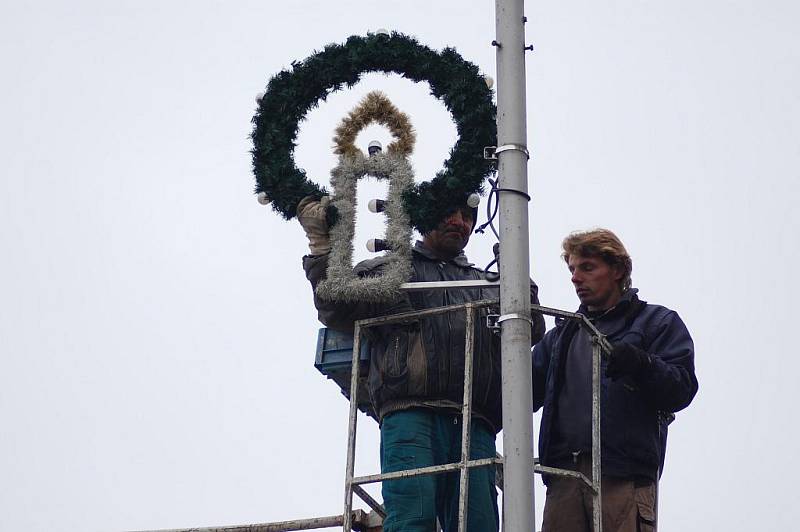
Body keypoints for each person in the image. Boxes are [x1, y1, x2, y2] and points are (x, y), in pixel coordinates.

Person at [298, 195, 545, 532]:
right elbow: (335, 303)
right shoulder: (395, 270)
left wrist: (517, 274)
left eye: (468, 216)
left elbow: (529, 330)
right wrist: (321, 247)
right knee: (412, 517)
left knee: (479, 523)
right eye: (450, 211)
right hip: (410, 413)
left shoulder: (488, 285)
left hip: (474, 420)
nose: (460, 222)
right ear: (425, 214)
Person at [532, 228, 698, 532]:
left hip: (624, 476)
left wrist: (642, 364)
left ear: (619, 269)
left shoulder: (656, 323)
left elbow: (682, 388)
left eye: (587, 267)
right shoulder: (560, 337)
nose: (575, 277)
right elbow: (517, 391)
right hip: (564, 477)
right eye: (572, 269)